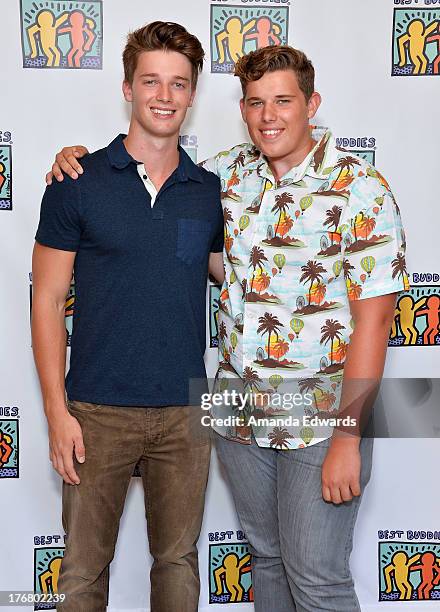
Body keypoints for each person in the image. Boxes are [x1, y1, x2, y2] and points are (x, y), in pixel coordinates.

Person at [46, 44, 408, 611]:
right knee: (265, 558)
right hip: (239, 412)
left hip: (322, 413)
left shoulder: (361, 189)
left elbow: (377, 320)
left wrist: (349, 437)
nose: (269, 115)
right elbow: (156, 177)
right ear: (241, 108)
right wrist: (74, 160)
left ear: (312, 104)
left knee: (316, 578)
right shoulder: (225, 176)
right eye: (256, 102)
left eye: (283, 101)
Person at [32, 21, 224, 612]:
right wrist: (55, 412)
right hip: (95, 412)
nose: (164, 96)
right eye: (151, 82)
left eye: (178, 84)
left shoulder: (210, 190)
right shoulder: (77, 182)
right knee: (83, 576)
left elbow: (237, 274)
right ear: (127, 87)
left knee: (177, 565)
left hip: (186, 411)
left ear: (192, 96)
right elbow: (45, 300)